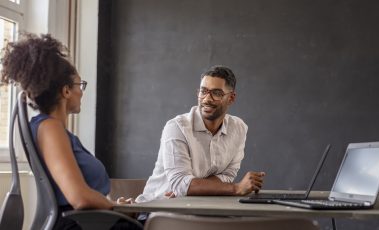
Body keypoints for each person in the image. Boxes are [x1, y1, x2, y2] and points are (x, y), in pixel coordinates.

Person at [0, 33, 137, 229]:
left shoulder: (51, 130)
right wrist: (116, 207)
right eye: (80, 85)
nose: (81, 91)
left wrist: (114, 207)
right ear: (66, 91)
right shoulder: (50, 128)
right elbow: (80, 198)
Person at [136, 65, 265, 205]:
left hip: (197, 207)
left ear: (231, 98)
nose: (206, 99)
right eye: (203, 91)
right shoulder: (177, 127)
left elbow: (227, 175)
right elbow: (180, 183)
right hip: (157, 209)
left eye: (216, 93)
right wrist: (236, 188)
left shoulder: (239, 128)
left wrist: (191, 189)